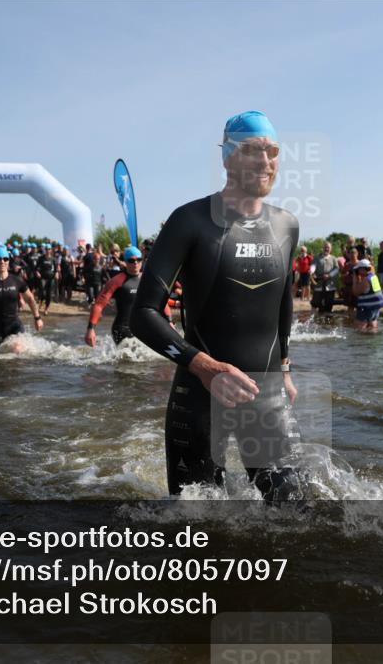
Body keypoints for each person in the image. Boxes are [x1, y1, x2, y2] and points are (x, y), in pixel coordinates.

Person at [129, 110, 301, 503]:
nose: (265, 161)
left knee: (296, 513)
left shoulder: (286, 225)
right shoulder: (189, 220)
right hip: (200, 396)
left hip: (268, 393)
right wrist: (204, 367)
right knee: (198, 525)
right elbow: (143, 314)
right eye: (253, 150)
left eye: (272, 151)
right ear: (227, 158)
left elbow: (283, 298)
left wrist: (286, 368)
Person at [84, 246, 147, 346]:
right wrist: (90, 329)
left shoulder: (147, 279)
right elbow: (99, 305)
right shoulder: (116, 281)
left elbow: (159, 300)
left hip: (142, 328)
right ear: (125, 262)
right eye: (131, 260)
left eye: (138, 260)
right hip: (122, 329)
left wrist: (169, 320)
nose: (135, 263)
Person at [351, 259, 383, 332]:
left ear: (362, 269)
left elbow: (355, 292)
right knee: (372, 324)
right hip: (375, 307)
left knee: (358, 328)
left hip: (367, 307)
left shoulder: (366, 280)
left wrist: (354, 279)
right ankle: (372, 340)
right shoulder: (374, 277)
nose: (358, 272)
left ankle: (361, 342)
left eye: (358, 269)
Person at [312, 241, 339, 313]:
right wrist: (312, 271)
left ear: (331, 249)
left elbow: (336, 269)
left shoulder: (334, 258)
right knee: (316, 303)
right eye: (325, 247)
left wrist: (329, 275)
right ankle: (314, 320)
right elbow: (313, 265)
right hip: (319, 284)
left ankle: (327, 321)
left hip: (330, 285)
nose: (326, 249)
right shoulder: (317, 257)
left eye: (328, 247)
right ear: (323, 248)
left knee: (329, 304)